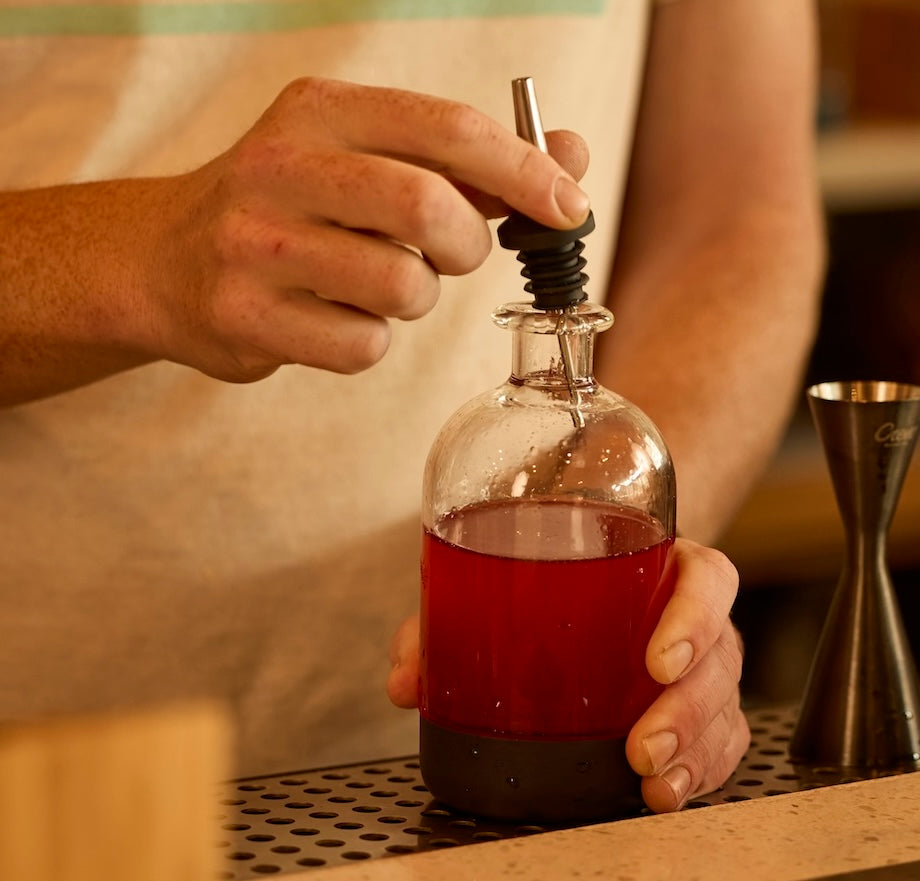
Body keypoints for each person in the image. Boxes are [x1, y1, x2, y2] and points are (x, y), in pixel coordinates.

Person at [0, 0, 824, 813]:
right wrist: (144, 255)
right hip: (40, 764)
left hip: (421, 795)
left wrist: (651, 609)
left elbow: (730, 217)